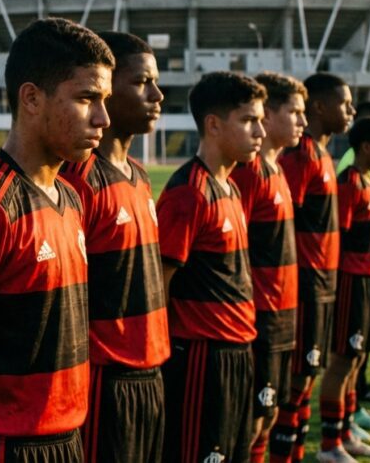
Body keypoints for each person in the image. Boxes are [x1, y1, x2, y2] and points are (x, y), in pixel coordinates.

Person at [0, 18, 113, 463]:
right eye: (86, 98)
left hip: (67, 434)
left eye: (105, 100)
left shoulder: (71, 196)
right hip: (0, 443)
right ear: (32, 98)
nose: (103, 118)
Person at [60, 31, 168, 463]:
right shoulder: (78, 178)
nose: (156, 94)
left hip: (152, 371)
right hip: (106, 377)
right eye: (142, 82)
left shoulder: (140, 175)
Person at [157, 71, 266, 462]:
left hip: (238, 349)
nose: (260, 132)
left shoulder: (232, 187)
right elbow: (161, 284)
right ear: (214, 125)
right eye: (249, 120)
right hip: (202, 359)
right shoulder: (188, 192)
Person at [270, 73, 355, 462]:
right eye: (344, 103)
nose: (350, 111)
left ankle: (304, 451)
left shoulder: (323, 154)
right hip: (302, 284)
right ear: (321, 106)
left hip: (323, 283)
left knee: (306, 376)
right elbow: (284, 223)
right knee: (293, 381)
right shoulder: (299, 156)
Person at [229, 72, 307, 462]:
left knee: (270, 412)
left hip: (282, 315)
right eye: (294, 112)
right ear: (269, 115)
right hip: (258, 317)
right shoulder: (248, 173)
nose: (302, 122)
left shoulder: (278, 169)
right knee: (252, 419)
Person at [316, 117, 370, 461]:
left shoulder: (367, 181)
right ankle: (330, 445)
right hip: (350, 283)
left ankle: (345, 430)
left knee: (355, 361)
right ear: (367, 146)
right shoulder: (349, 183)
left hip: (367, 281)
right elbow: (336, 238)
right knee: (342, 361)